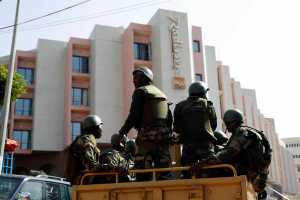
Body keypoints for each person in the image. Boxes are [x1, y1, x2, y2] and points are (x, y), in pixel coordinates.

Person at [194, 109, 271, 197]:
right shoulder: (251, 132)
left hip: (245, 172)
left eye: (227, 123)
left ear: (230, 122)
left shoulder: (242, 132)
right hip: (254, 175)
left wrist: (205, 162)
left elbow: (230, 153)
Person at [118, 66, 172, 180]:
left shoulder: (141, 91)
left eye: (136, 77)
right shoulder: (162, 94)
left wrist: (122, 132)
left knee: (142, 173)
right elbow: (169, 118)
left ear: (145, 78)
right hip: (164, 137)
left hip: (147, 137)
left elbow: (134, 115)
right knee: (164, 173)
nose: (134, 80)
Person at [173, 81, 217, 178]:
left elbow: (176, 128)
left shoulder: (179, 106)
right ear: (203, 93)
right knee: (210, 174)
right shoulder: (208, 104)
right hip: (206, 147)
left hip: (188, 148)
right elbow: (213, 125)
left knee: (187, 174)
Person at [65, 115, 103, 185]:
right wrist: (105, 167)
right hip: (83, 181)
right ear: (95, 127)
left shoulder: (80, 139)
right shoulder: (88, 139)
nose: (102, 130)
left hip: (78, 181)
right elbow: (91, 163)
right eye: (100, 126)